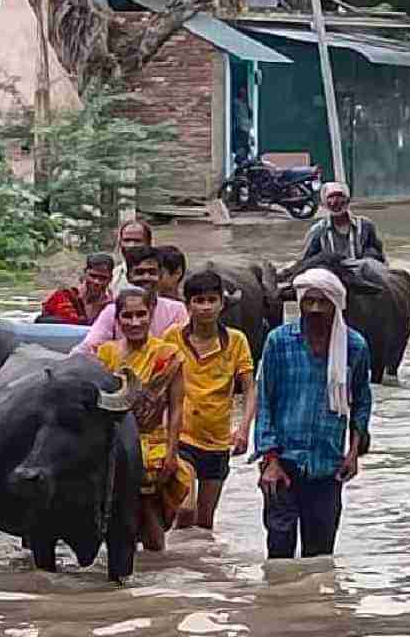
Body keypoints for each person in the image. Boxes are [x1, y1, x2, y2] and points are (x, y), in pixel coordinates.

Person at [253, 269, 372, 559]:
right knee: (279, 552)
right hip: (282, 464)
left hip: (327, 465)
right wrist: (269, 460)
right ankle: (280, 604)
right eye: (309, 302)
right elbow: (264, 401)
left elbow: (362, 404)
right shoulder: (278, 342)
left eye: (323, 302)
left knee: (320, 557)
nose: (316, 309)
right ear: (300, 303)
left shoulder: (354, 346)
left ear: (336, 305)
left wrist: (353, 453)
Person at [96, 287, 192, 551]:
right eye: (128, 316)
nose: (135, 322)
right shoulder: (106, 354)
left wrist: (172, 453)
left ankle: (154, 571)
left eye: (141, 314)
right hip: (115, 442)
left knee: (150, 514)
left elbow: (176, 408)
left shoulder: (168, 355)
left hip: (151, 443)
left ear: (151, 315)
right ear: (117, 319)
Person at [163, 271, 255, 531]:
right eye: (199, 300)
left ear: (222, 304)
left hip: (217, 441)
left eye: (211, 300)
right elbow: (158, 379)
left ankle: (197, 569)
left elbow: (249, 388)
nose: (205, 307)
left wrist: (244, 429)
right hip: (182, 437)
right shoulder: (172, 337)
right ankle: (173, 567)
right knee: (185, 509)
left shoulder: (236, 341)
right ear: (188, 305)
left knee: (204, 523)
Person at [72, 246, 188, 355]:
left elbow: (185, 351)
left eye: (152, 272)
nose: (146, 277)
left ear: (160, 275)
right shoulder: (112, 311)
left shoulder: (176, 310)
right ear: (128, 276)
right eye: (139, 272)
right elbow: (87, 349)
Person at [302, 182, 386, 263]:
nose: (335, 201)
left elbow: (378, 254)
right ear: (324, 203)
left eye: (340, 196)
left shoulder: (365, 225)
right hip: (331, 273)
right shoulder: (317, 230)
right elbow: (307, 260)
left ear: (348, 200)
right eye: (330, 197)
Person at [39, 253, 114, 326]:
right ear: (85, 274)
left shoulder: (111, 306)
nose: (96, 282)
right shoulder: (64, 296)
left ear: (110, 279)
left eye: (103, 278)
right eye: (93, 276)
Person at [109, 219, 154, 294]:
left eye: (137, 241)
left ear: (148, 243)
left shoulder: (159, 276)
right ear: (120, 243)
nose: (131, 245)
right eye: (127, 240)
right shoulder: (114, 275)